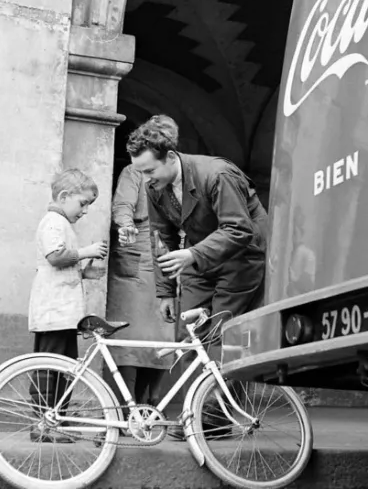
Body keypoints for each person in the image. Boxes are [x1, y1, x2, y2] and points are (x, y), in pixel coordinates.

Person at [125, 114, 267, 439]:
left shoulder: (217, 173)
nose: (146, 179)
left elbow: (238, 228)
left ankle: (215, 420)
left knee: (222, 335)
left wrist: (192, 254)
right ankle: (196, 412)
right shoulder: (156, 186)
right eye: (141, 172)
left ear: (171, 157)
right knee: (190, 337)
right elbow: (161, 237)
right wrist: (164, 291)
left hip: (242, 256)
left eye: (149, 170)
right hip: (200, 255)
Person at [28, 169, 109, 443]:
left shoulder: (61, 223)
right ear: (64, 197)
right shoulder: (53, 222)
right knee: (50, 368)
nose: (85, 210)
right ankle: (43, 424)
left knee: (64, 368)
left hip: (62, 313)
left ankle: (56, 421)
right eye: (83, 203)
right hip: (54, 312)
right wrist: (87, 251)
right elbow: (55, 256)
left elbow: (63, 265)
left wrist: (83, 273)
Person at [103, 163, 175, 422]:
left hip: (166, 255)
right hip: (136, 254)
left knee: (161, 337)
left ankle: (151, 401)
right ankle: (127, 403)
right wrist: (124, 225)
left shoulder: (175, 172)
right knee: (130, 336)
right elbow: (122, 205)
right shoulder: (133, 171)